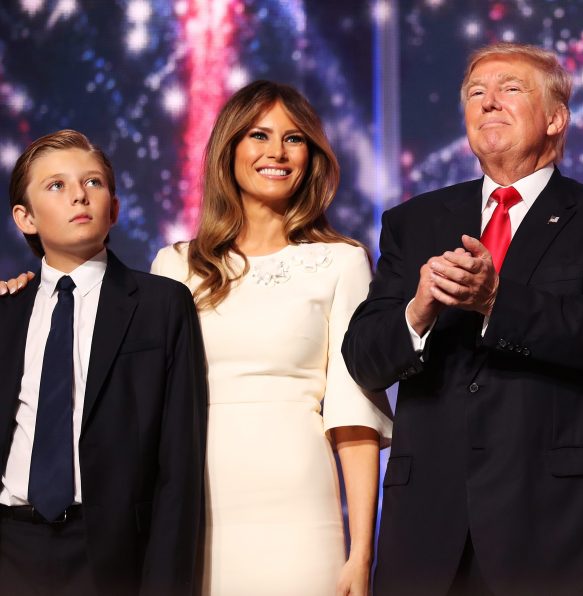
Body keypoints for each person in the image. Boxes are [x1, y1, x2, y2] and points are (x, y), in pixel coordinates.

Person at [342, 42, 583, 595]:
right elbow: (364, 359)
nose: (489, 102)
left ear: (556, 118)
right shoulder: (413, 222)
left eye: (511, 89)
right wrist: (417, 312)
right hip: (430, 531)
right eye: (475, 93)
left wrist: (496, 302)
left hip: (558, 528)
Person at [149, 81, 392, 595]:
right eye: (259, 135)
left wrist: (361, 553)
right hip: (194, 505)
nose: (277, 152)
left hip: (299, 508)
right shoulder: (174, 266)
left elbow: (354, 417)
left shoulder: (341, 262)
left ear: (312, 156)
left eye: (295, 138)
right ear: (229, 148)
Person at [0, 129, 206, 595]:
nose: (79, 195)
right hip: (11, 542)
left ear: (113, 208)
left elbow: (179, 464)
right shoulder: (7, 311)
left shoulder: (161, 304)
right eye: (56, 185)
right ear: (25, 218)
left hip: (110, 550)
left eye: (93, 183)